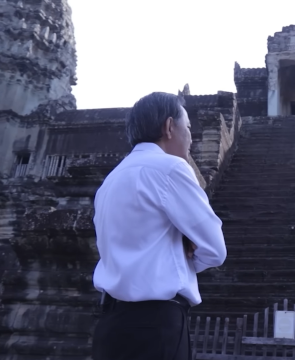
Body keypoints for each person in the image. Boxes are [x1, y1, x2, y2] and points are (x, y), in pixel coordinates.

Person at [91, 92, 227, 360]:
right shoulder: (170, 168)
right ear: (168, 127)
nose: (191, 136)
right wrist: (180, 257)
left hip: (110, 325)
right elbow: (215, 249)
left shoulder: (110, 181)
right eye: (187, 127)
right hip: (155, 325)